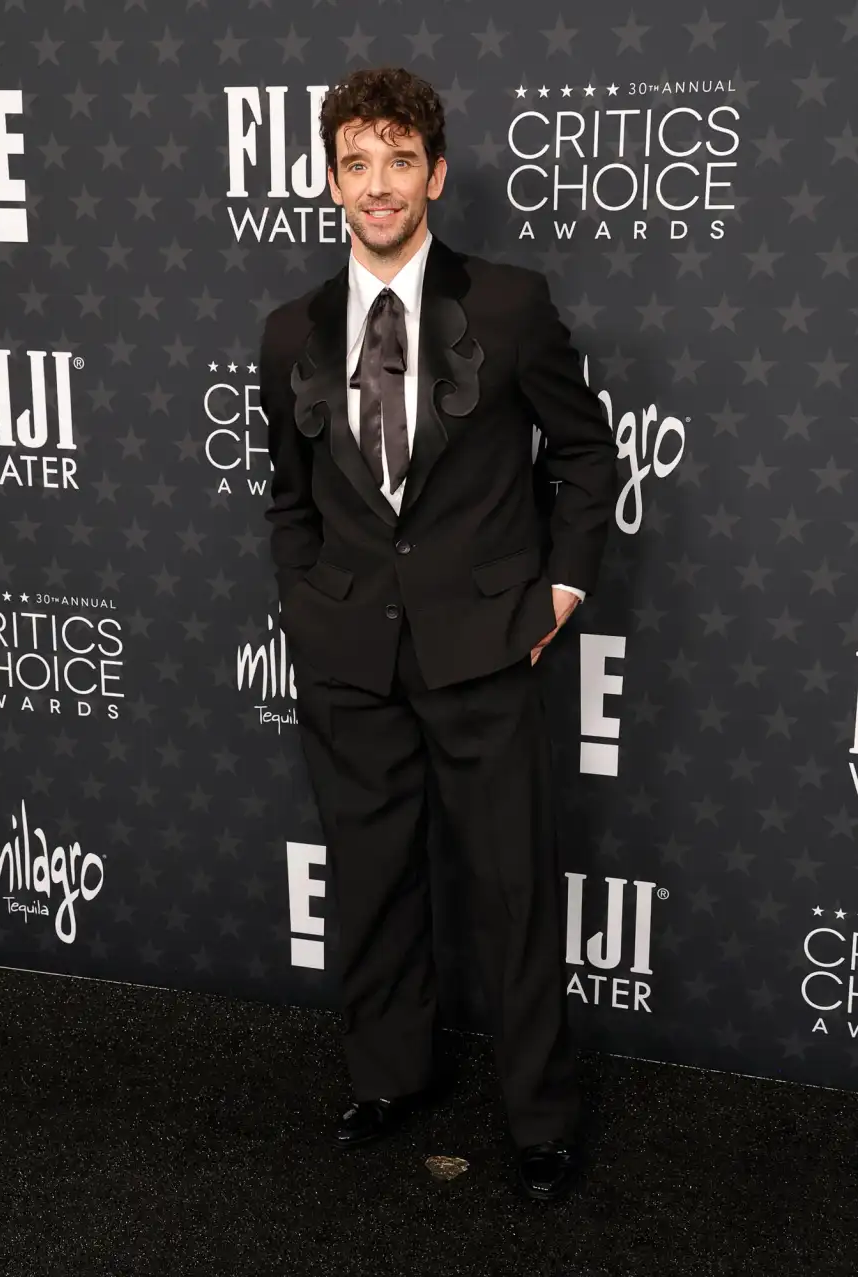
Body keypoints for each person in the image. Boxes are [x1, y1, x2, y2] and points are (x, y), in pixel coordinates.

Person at [259, 65, 619, 1202]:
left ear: (437, 173)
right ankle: (388, 1075)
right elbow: (287, 493)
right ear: (329, 180)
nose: (379, 184)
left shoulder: (509, 305)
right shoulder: (290, 330)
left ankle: (540, 1118)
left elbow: (585, 457)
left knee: (513, 889)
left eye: (400, 160)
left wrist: (556, 595)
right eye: (357, 162)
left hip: (484, 649)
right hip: (348, 657)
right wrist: (306, 605)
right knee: (369, 879)